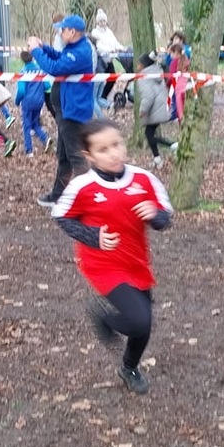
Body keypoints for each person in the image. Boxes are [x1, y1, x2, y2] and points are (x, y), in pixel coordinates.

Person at [51, 117, 173, 395]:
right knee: (139, 320)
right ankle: (103, 318)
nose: (114, 153)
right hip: (101, 263)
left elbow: (166, 218)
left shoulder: (144, 179)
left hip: (136, 261)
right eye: (103, 149)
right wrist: (93, 237)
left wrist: (156, 215)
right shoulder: (82, 186)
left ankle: (129, 368)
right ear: (89, 155)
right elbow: (61, 216)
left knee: (143, 327)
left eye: (117, 144)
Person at [30, 14, 99, 208]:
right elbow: (59, 57)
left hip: (73, 111)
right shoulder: (73, 48)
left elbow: (55, 67)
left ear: (73, 32)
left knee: (75, 155)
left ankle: (91, 199)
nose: (60, 33)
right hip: (66, 109)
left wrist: (36, 51)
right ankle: (58, 194)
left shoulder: (80, 52)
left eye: (63, 29)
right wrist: (44, 47)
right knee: (64, 155)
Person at [132, 51, 174, 167]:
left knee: (149, 135)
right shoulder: (156, 72)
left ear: (143, 65)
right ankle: (157, 159)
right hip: (161, 105)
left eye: (139, 63)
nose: (137, 66)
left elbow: (149, 96)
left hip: (154, 109)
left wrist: (143, 110)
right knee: (149, 133)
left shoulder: (143, 77)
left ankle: (172, 145)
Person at [14, 48, 51, 155]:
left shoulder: (23, 72)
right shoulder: (40, 70)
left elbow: (21, 90)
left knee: (27, 126)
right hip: (39, 102)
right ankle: (45, 138)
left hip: (28, 102)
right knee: (35, 123)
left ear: (22, 60)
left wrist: (17, 101)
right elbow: (47, 86)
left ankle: (29, 150)